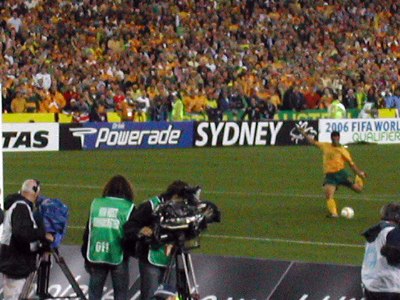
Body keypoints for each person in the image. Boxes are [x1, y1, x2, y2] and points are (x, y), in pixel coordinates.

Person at [124, 180, 191, 300]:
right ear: (175, 196)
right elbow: (129, 226)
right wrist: (141, 230)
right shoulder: (151, 206)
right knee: (151, 296)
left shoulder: (181, 208)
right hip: (150, 258)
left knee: (170, 297)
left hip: (171, 259)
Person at [81, 175, 136, 300]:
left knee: (94, 294)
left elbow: (89, 231)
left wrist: (85, 253)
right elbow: (131, 234)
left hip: (97, 254)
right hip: (119, 255)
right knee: (121, 294)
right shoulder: (128, 207)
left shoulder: (97, 204)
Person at [0, 179, 53, 300]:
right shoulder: (21, 207)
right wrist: (42, 234)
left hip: (16, 262)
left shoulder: (20, 206)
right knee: (14, 296)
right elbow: (22, 233)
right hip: (16, 263)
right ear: (35, 191)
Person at [299, 129, 367, 217]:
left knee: (358, 189)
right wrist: (303, 133)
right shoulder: (325, 146)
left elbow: (351, 164)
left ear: (339, 138)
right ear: (331, 138)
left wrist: (359, 172)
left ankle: (358, 178)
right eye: (333, 138)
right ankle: (334, 214)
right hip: (330, 176)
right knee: (329, 195)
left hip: (341, 174)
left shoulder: (343, 150)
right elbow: (313, 142)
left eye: (337, 138)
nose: (335, 139)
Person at [361, 203, 400, 299]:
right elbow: (393, 258)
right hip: (388, 284)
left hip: (370, 284)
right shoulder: (392, 231)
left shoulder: (375, 231)